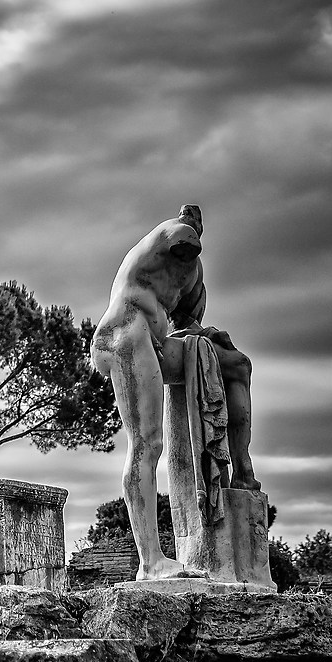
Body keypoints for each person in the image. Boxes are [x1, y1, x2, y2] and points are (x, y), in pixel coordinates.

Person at [91, 204, 256, 580]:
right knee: (147, 444)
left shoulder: (194, 275)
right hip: (124, 332)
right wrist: (185, 232)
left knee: (237, 365)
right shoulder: (171, 234)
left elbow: (187, 323)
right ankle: (151, 562)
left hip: (157, 342)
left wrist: (206, 336)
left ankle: (243, 471)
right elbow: (180, 240)